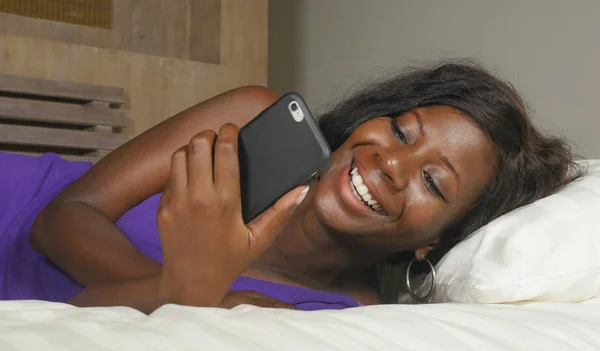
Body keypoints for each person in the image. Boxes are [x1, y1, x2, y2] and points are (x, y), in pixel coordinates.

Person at [0, 61, 582, 313]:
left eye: (433, 181)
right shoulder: (253, 119)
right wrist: (190, 286)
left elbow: (86, 310)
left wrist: (187, 287)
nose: (391, 164)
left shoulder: (337, 313)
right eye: (402, 129)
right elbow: (63, 217)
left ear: (436, 240)